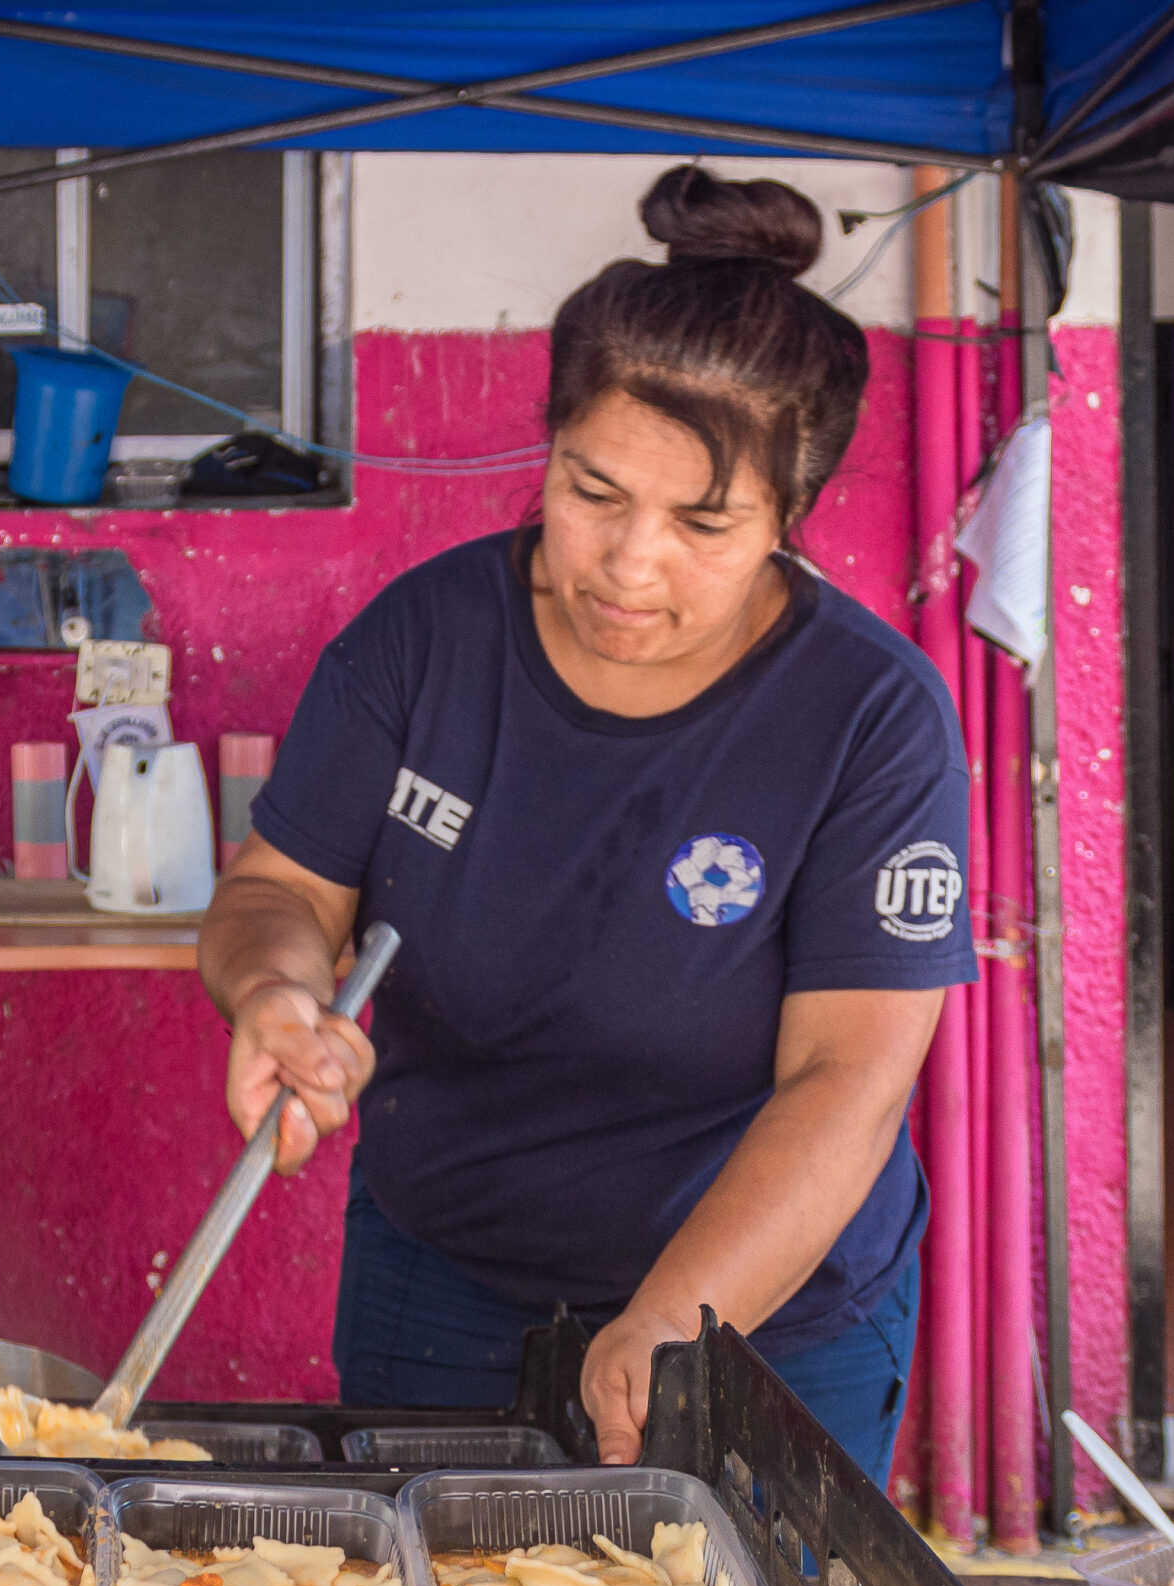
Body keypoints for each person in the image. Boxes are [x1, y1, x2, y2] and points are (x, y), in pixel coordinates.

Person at [194, 165, 974, 1476]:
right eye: (592, 490)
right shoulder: (424, 642)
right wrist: (274, 991)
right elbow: (283, 888)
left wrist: (678, 1311)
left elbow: (849, 1076)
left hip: (764, 1308)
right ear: (547, 448)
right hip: (444, 1275)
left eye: (704, 521)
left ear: (793, 516)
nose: (629, 561)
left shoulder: (868, 715)